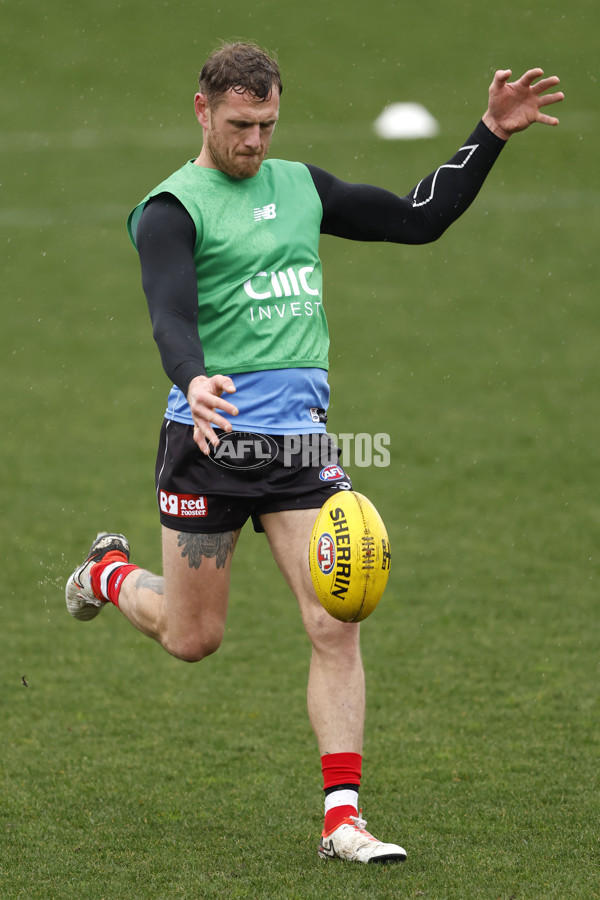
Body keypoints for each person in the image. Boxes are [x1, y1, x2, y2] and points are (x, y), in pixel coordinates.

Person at [66, 42, 563, 863]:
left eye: (266, 123)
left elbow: (417, 219)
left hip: (297, 447)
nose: (254, 142)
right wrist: (191, 380)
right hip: (209, 442)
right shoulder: (171, 210)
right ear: (203, 111)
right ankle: (110, 573)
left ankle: (342, 819)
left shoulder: (298, 186)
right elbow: (169, 316)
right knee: (194, 639)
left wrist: (490, 133)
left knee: (338, 618)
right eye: (239, 125)